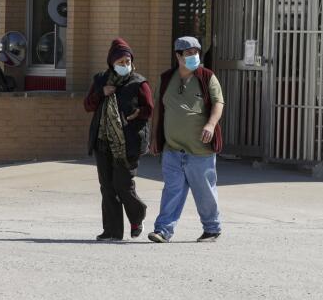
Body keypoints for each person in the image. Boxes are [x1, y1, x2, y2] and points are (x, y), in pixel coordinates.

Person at [148, 35, 224, 243]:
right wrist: (154, 137)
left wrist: (210, 124)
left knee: (204, 191)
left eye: (196, 52)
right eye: (189, 53)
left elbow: (218, 103)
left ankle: (212, 228)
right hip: (172, 148)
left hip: (200, 150)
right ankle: (163, 230)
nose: (194, 56)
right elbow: (158, 110)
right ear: (177, 56)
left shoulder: (207, 77)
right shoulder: (166, 79)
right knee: (172, 190)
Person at [83, 37, 153, 241]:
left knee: (123, 185)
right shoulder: (101, 80)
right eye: (120, 62)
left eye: (127, 62)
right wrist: (101, 93)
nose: (125, 65)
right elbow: (87, 105)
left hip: (128, 143)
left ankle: (137, 215)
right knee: (107, 187)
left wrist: (137, 113)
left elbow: (149, 109)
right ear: (111, 63)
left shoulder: (139, 82)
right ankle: (112, 231)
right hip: (103, 141)